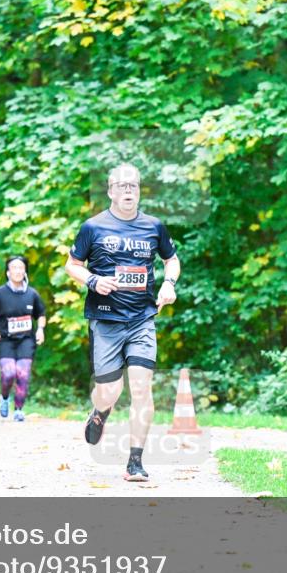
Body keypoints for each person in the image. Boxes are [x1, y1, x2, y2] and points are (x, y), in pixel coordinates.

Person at [64, 163, 180, 482]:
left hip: (142, 319)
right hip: (106, 320)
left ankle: (135, 462)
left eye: (134, 186)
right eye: (122, 186)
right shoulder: (93, 227)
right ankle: (100, 411)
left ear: (139, 191)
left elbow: (171, 259)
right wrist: (92, 280)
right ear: (111, 191)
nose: (129, 190)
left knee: (141, 387)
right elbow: (72, 264)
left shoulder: (154, 226)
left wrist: (169, 284)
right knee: (110, 391)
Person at [0, 255, 47, 422]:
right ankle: (4, 398)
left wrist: (40, 329)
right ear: (8, 272)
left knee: (22, 373)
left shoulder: (32, 294)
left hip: (26, 340)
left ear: (25, 271)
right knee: (9, 372)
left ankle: (19, 409)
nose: (18, 271)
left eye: (21, 268)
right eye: (14, 268)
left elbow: (41, 314)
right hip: (5, 340)